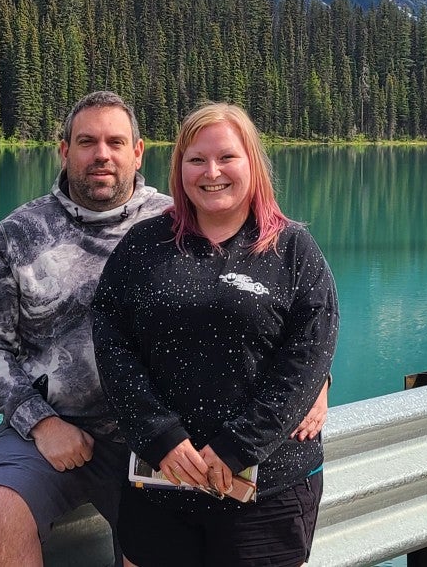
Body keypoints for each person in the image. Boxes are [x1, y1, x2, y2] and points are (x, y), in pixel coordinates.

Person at [0, 92, 327, 566]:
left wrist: (317, 381)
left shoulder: (184, 214)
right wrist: (39, 421)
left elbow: (284, 307)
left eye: (116, 142)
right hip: (56, 427)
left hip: (166, 433)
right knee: (3, 511)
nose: (101, 155)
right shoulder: (19, 233)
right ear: (63, 150)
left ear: (138, 152)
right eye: (87, 142)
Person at [92, 103, 340, 567]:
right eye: (196, 160)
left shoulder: (293, 250)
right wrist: (159, 435)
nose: (212, 172)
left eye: (227, 157)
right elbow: (111, 345)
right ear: (179, 168)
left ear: (253, 164)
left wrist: (236, 449)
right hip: (162, 486)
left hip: (269, 491)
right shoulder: (143, 247)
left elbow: (308, 358)